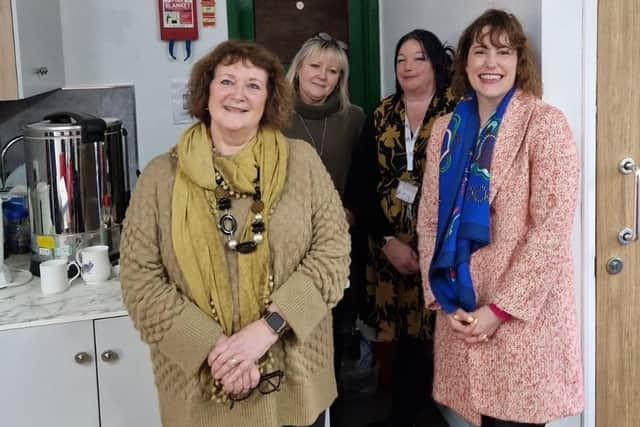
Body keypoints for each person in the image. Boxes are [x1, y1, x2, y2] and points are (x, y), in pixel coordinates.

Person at [119, 40, 350, 427]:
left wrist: (267, 329)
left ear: (269, 100)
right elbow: (139, 280)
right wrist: (221, 352)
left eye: (253, 85)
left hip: (294, 386)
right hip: (201, 394)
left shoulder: (302, 163)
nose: (238, 95)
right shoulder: (160, 177)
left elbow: (333, 255)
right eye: (227, 81)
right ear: (205, 92)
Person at [416, 9, 584, 427]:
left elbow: (552, 229)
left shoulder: (544, 124)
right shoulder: (445, 129)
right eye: (480, 51)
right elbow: (430, 218)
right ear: (466, 63)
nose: (491, 63)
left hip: (519, 320)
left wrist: (501, 309)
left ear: (519, 62)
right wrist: (443, 297)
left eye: (503, 52)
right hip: (463, 309)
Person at [350, 29, 456, 427]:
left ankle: (424, 416)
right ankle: (400, 415)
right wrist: (388, 240)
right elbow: (360, 186)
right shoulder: (380, 114)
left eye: (418, 58)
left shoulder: (458, 112)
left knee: (434, 344)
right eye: (400, 59)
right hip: (388, 250)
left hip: (440, 249)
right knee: (395, 342)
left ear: (436, 64)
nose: (407, 67)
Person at [283, 32, 366, 407]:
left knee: (333, 328)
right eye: (315, 66)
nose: (322, 75)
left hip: (338, 240)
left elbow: (365, 176)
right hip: (287, 243)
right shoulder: (273, 116)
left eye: (333, 70)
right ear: (299, 68)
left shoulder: (355, 119)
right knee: (292, 325)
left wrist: (348, 213)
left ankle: (331, 405)